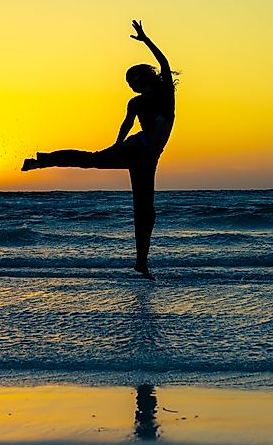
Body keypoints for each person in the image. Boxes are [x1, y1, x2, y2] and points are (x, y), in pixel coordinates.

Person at [21, 20, 176, 279]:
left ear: (143, 76)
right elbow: (126, 125)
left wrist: (146, 39)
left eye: (133, 80)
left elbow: (164, 63)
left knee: (145, 210)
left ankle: (141, 263)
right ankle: (42, 161)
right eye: (129, 83)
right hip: (137, 149)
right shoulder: (135, 102)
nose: (131, 86)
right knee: (91, 160)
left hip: (149, 157)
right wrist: (116, 147)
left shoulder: (165, 92)